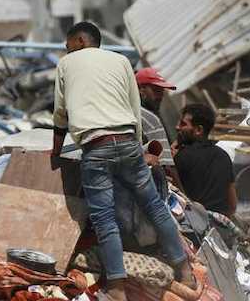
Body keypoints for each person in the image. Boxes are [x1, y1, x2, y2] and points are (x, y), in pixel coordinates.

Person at [52, 21, 195, 301]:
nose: (67, 52)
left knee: (105, 219)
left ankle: (116, 288)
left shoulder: (66, 66)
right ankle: (185, 269)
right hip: (128, 142)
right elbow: (134, 109)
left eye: (68, 47)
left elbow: (61, 114)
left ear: (80, 41)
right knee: (154, 206)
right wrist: (138, 148)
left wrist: (56, 152)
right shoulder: (121, 62)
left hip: (96, 147)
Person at [172, 103, 237, 216]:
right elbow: (232, 205)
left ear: (198, 130)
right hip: (220, 225)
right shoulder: (223, 156)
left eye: (183, 124)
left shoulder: (181, 157)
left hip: (193, 224)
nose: (177, 127)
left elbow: (175, 200)